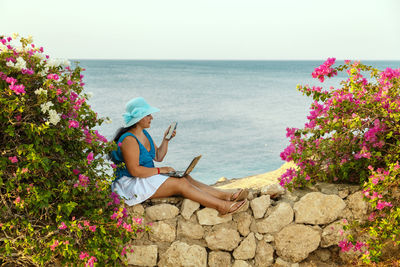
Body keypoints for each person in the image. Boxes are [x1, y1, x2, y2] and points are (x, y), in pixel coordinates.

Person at [111, 97, 248, 216]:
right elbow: (135, 171)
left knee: (185, 177)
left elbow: (158, 157)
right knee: (180, 183)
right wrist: (161, 170)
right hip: (130, 184)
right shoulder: (129, 139)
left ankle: (226, 196)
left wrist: (166, 140)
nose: (151, 117)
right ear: (138, 118)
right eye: (148, 115)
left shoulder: (144, 134)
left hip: (144, 178)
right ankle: (222, 206)